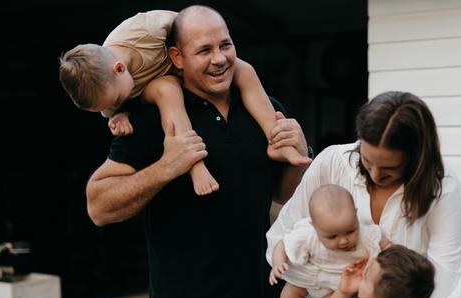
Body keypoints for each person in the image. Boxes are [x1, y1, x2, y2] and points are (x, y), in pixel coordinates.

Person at [85, 5, 311, 298]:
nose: (220, 59)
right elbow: (98, 206)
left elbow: (287, 196)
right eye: (205, 51)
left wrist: (300, 154)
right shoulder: (150, 119)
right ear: (176, 57)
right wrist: (165, 167)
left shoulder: (264, 109)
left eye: (226, 45)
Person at [267, 91, 461, 298]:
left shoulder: (442, 190)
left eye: (389, 168)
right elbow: (281, 238)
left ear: (417, 156)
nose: (375, 175)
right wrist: (336, 282)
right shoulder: (334, 163)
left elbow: (449, 285)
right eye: (368, 161)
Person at [59, 10, 309, 196]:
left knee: (246, 70)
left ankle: (277, 140)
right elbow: (114, 106)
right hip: (164, 85)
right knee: (167, 90)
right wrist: (120, 115)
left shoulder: (143, 31)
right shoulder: (109, 89)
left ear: (120, 68)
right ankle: (194, 163)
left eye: (115, 101)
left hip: (186, 64)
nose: (112, 106)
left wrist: (204, 45)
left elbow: (191, 25)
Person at [269, 184, 388, 298]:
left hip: (336, 286)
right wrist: (278, 263)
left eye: (350, 231)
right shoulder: (307, 233)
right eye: (332, 237)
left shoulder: (367, 235)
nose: (343, 241)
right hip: (311, 277)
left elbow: (385, 245)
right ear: (314, 225)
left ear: (356, 215)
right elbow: (282, 244)